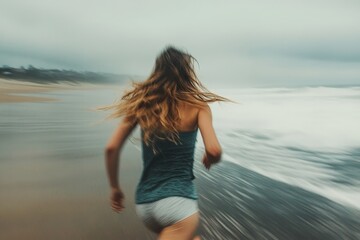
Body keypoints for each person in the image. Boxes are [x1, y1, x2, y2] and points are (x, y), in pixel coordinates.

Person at [102, 46, 229, 240]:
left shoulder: (143, 103)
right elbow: (214, 149)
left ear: (158, 72)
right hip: (179, 208)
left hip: (145, 206)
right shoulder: (198, 106)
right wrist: (210, 157)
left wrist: (115, 189)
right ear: (188, 73)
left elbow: (111, 148)